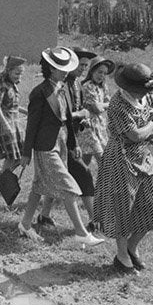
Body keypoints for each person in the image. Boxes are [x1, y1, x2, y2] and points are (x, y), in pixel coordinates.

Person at [18, 47, 104, 246]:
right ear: (50, 68)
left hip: (62, 144)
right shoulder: (39, 93)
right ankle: (81, 233)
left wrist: (73, 144)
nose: (65, 71)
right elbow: (32, 125)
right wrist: (26, 152)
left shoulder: (63, 88)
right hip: (45, 146)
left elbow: (66, 120)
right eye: (59, 68)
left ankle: (25, 224)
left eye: (66, 67)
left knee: (39, 187)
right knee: (70, 187)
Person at [95, 62, 153, 275]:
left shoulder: (147, 97)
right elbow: (134, 135)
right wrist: (149, 129)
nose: (146, 93)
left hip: (144, 157)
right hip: (120, 158)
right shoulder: (118, 103)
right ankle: (121, 255)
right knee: (122, 207)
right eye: (141, 90)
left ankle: (132, 247)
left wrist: (146, 130)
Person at [36, 48, 99, 232]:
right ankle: (93, 220)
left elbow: (76, 111)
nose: (83, 70)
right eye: (80, 65)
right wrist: (81, 114)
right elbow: (62, 115)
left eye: (86, 67)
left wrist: (82, 119)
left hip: (71, 138)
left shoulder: (77, 84)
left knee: (58, 179)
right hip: (60, 140)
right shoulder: (59, 86)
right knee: (83, 175)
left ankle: (44, 215)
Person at [78, 55, 116, 164]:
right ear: (92, 71)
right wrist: (105, 104)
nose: (102, 76)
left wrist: (104, 104)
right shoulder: (88, 86)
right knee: (103, 160)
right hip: (88, 127)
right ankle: (108, 180)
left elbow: (110, 104)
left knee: (85, 161)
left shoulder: (102, 87)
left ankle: (80, 179)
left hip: (100, 126)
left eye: (104, 73)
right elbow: (97, 108)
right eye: (100, 72)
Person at [0, 55, 26, 174]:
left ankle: (2, 176)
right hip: (6, 124)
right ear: (8, 72)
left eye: (21, 74)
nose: (19, 77)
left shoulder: (14, 86)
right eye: (17, 73)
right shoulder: (3, 85)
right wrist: (5, 123)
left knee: (20, 156)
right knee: (11, 156)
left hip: (15, 124)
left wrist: (28, 112)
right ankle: (3, 179)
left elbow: (14, 106)